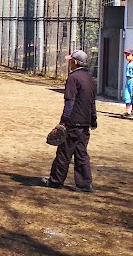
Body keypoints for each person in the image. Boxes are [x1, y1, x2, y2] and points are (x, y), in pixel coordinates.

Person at [41, 50, 97, 193]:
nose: (69, 63)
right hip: (85, 123)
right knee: (81, 153)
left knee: (64, 153)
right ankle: (84, 184)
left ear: (76, 62)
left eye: (71, 61)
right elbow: (92, 102)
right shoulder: (90, 78)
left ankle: (56, 181)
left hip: (73, 122)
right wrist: (93, 119)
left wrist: (63, 121)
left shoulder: (73, 78)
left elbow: (70, 102)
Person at [121, 49, 133, 117]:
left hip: (132, 80)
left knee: (132, 96)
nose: (127, 56)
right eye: (126, 55)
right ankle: (128, 111)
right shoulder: (128, 63)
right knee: (127, 96)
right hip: (128, 80)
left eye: (128, 55)